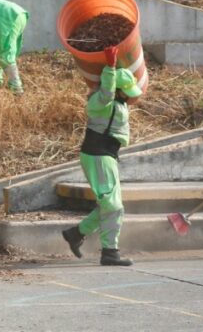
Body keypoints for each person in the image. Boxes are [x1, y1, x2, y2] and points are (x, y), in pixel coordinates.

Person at [60, 45, 142, 267]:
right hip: (98, 154)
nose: (130, 96)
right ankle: (110, 252)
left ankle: (76, 233)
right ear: (117, 89)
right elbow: (106, 93)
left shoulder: (117, 103)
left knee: (109, 203)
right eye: (126, 91)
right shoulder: (101, 102)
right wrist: (110, 67)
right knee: (113, 206)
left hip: (106, 155)